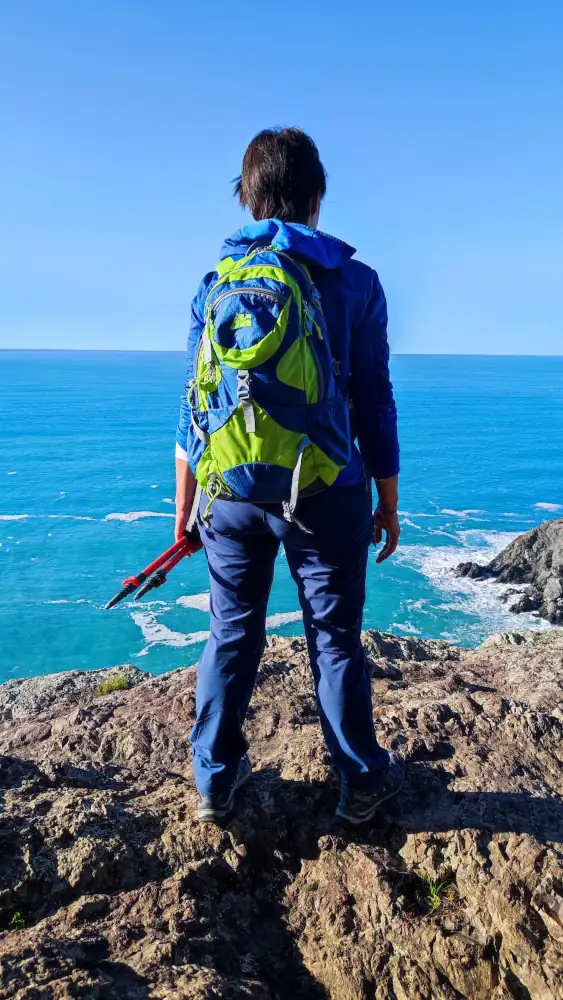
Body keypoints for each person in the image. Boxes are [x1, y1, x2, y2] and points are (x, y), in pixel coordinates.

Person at [175, 127, 404, 825]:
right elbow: (373, 399)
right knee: (333, 637)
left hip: (231, 494)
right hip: (327, 486)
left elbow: (191, 408)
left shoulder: (215, 283)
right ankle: (360, 783)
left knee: (230, 630)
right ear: (316, 197)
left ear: (245, 197)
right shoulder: (354, 280)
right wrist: (386, 499)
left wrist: (185, 509)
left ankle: (215, 778)